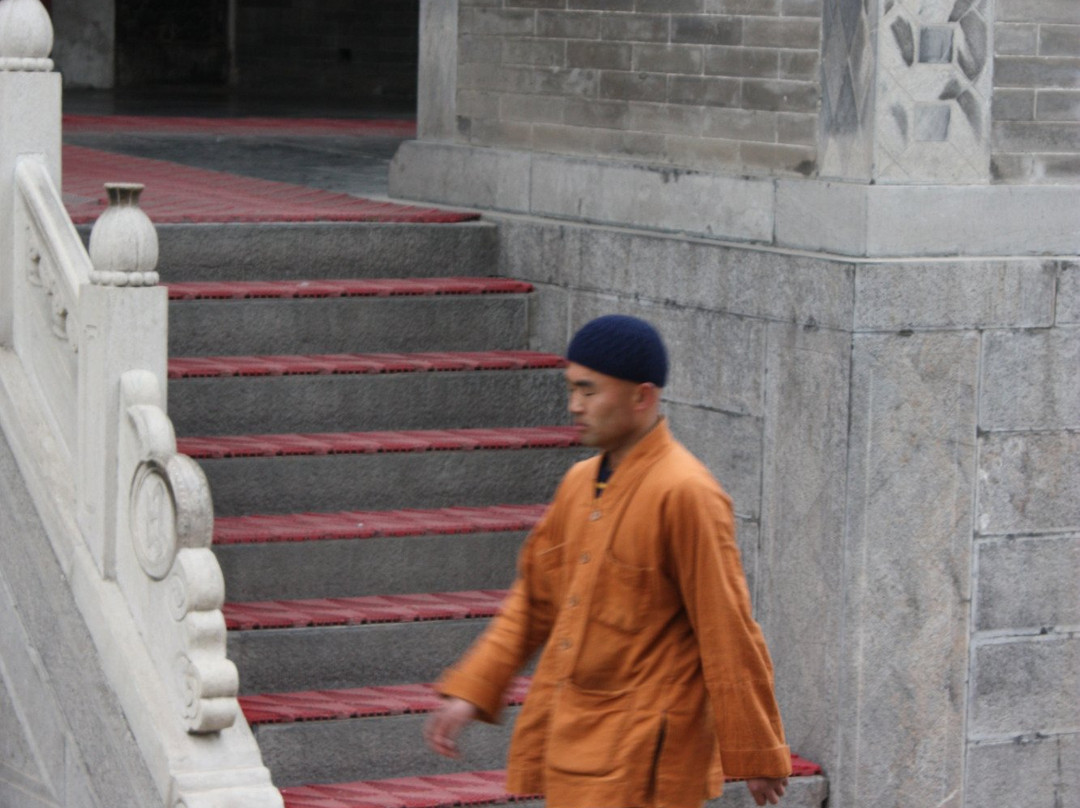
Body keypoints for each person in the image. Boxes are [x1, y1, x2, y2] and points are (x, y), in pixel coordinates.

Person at [424, 314, 791, 808]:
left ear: (642, 397)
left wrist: (756, 751)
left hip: (649, 758)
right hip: (577, 744)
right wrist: (472, 690)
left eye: (589, 391)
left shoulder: (686, 492)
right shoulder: (579, 484)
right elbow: (534, 600)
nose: (575, 406)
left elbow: (727, 627)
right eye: (571, 389)